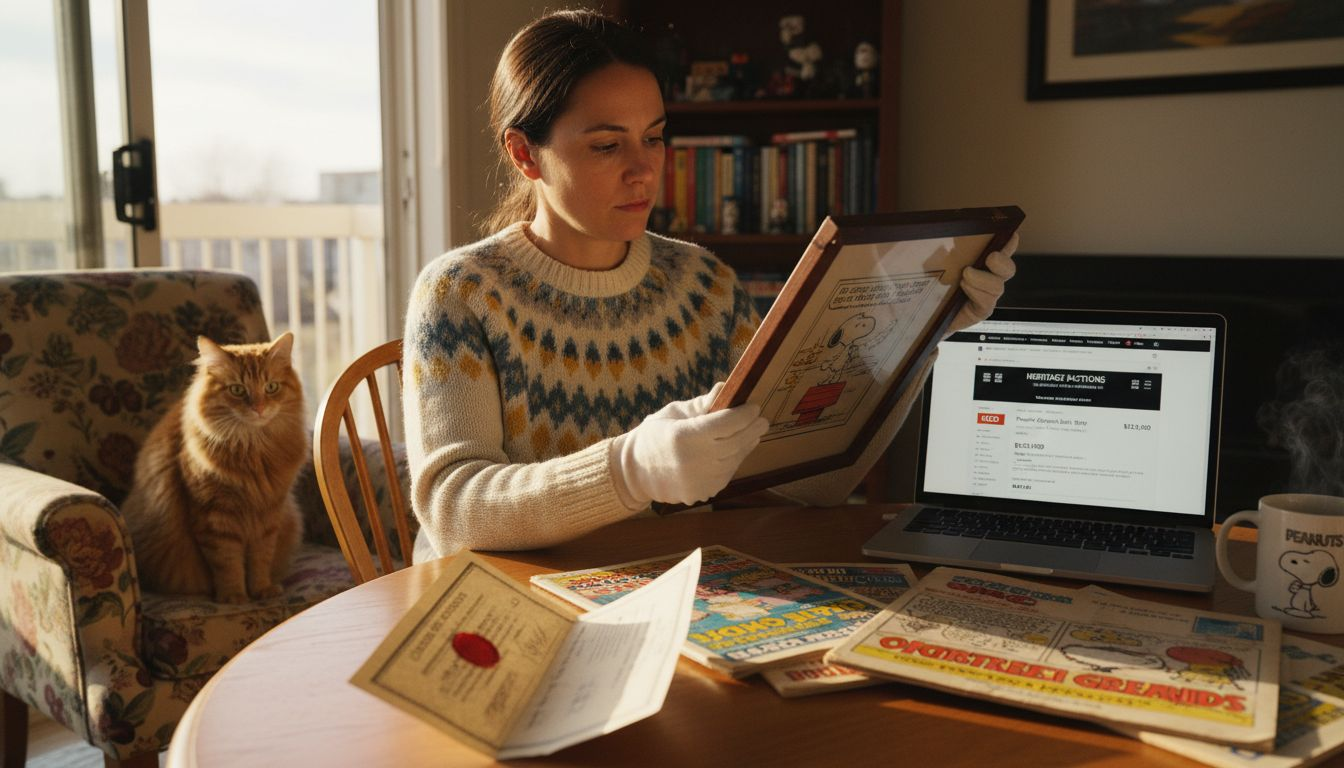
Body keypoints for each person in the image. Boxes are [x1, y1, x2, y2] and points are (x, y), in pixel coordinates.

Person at [404, 10, 1019, 561]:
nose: (644, 168)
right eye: (606, 144)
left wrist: (922, 333)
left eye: (653, 136)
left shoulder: (704, 287)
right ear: (524, 154)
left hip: (669, 593)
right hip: (507, 607)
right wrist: (631, 470)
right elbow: (454, 509)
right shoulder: (461, 293)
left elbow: (813, 482)